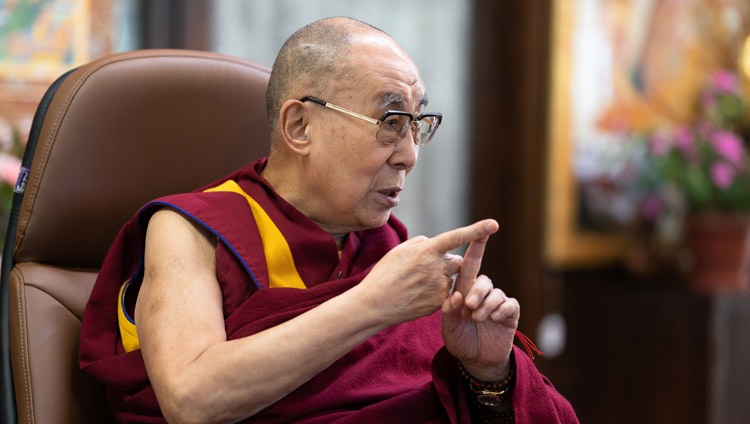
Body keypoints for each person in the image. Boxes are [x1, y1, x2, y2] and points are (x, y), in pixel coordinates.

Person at [79, 17, 578, 424]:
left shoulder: (385, 249)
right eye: (390, 123)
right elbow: (191, 400)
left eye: (417, 124)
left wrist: (487, 373)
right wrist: (373, 304)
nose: (408, 155)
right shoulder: (190, 229)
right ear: (299, 126)